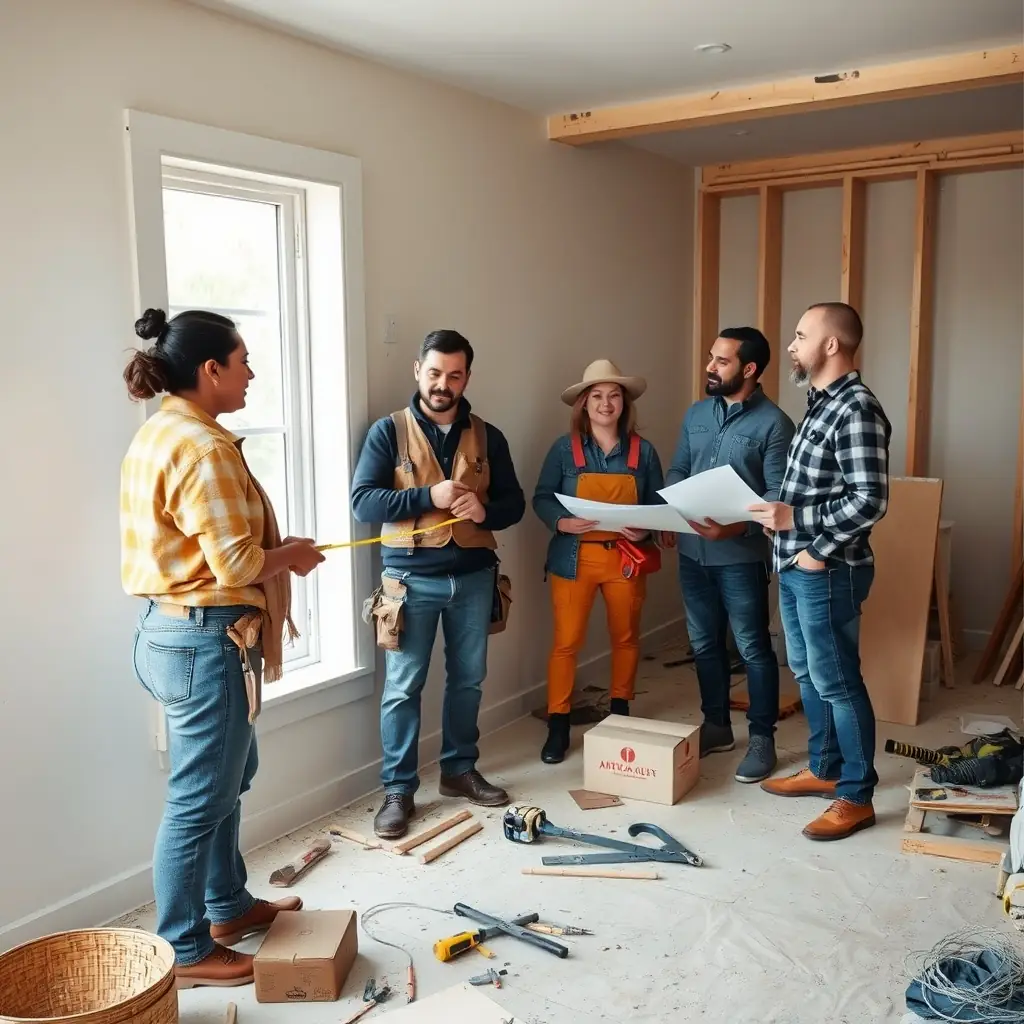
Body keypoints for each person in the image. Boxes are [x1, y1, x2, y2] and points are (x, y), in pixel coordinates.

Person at [121, 308, 325, 989]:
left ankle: (227, 908)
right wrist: (290, 554)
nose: (251, 374)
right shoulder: (203, 447)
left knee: (227, 781)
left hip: (177, 633)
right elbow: (237, 563)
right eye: (243, 362)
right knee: (197, 799)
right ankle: (183, 949)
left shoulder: (165, 430)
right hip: (203, 641)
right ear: (211, 370)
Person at [351, 330, 525, 839]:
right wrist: (431, 495)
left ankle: (458, 771)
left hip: (474, 577)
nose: (442, 384)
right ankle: (398, 791)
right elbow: (363, 502)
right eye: (434, 373)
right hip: (408, 582)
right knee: (403, 689)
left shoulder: (489, 435)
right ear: (417, 370)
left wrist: (485, 509)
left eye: (454, 375)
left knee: (469, 680)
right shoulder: (388, 432)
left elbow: (513, 504)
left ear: (467, 377)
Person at [749, 302, 891, 842]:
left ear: (831, 345)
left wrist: (810, 537)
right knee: (806, 672)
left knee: (837, 681)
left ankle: (856, 795)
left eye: (801, 335)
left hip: (826, 566)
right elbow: (820, 485)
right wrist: (779, 521)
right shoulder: (819, 402)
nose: (791, 344)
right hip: (795, 559)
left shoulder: (855, 408)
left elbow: (871, 500)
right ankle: (826, 768)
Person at [666, 328, 795, 783]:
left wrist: (734, 526)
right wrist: (673, 510)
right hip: (691, 552)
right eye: (711, 358)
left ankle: (762, 739)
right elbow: (680, 468)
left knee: (752, 648)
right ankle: (717, 726)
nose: (710, 367)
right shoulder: (696, 413)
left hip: (740, 555)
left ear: (749, 369)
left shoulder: (775, 424)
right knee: (703, 644)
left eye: (721, 361)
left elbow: (777, 495)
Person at [533, 360, 665, 764]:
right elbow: (541, 497)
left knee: (625, 637)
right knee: (566, 643)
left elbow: (658, 504)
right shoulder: (563, 448)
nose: (606, 404)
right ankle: (558, 722)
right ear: (583, 405)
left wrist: (645, 529)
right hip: (574, 559)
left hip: (624, 559)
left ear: (624, 404)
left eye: (614, 396)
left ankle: (620, 711)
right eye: (597, 397)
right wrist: (562, 521)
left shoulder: (644, 451)